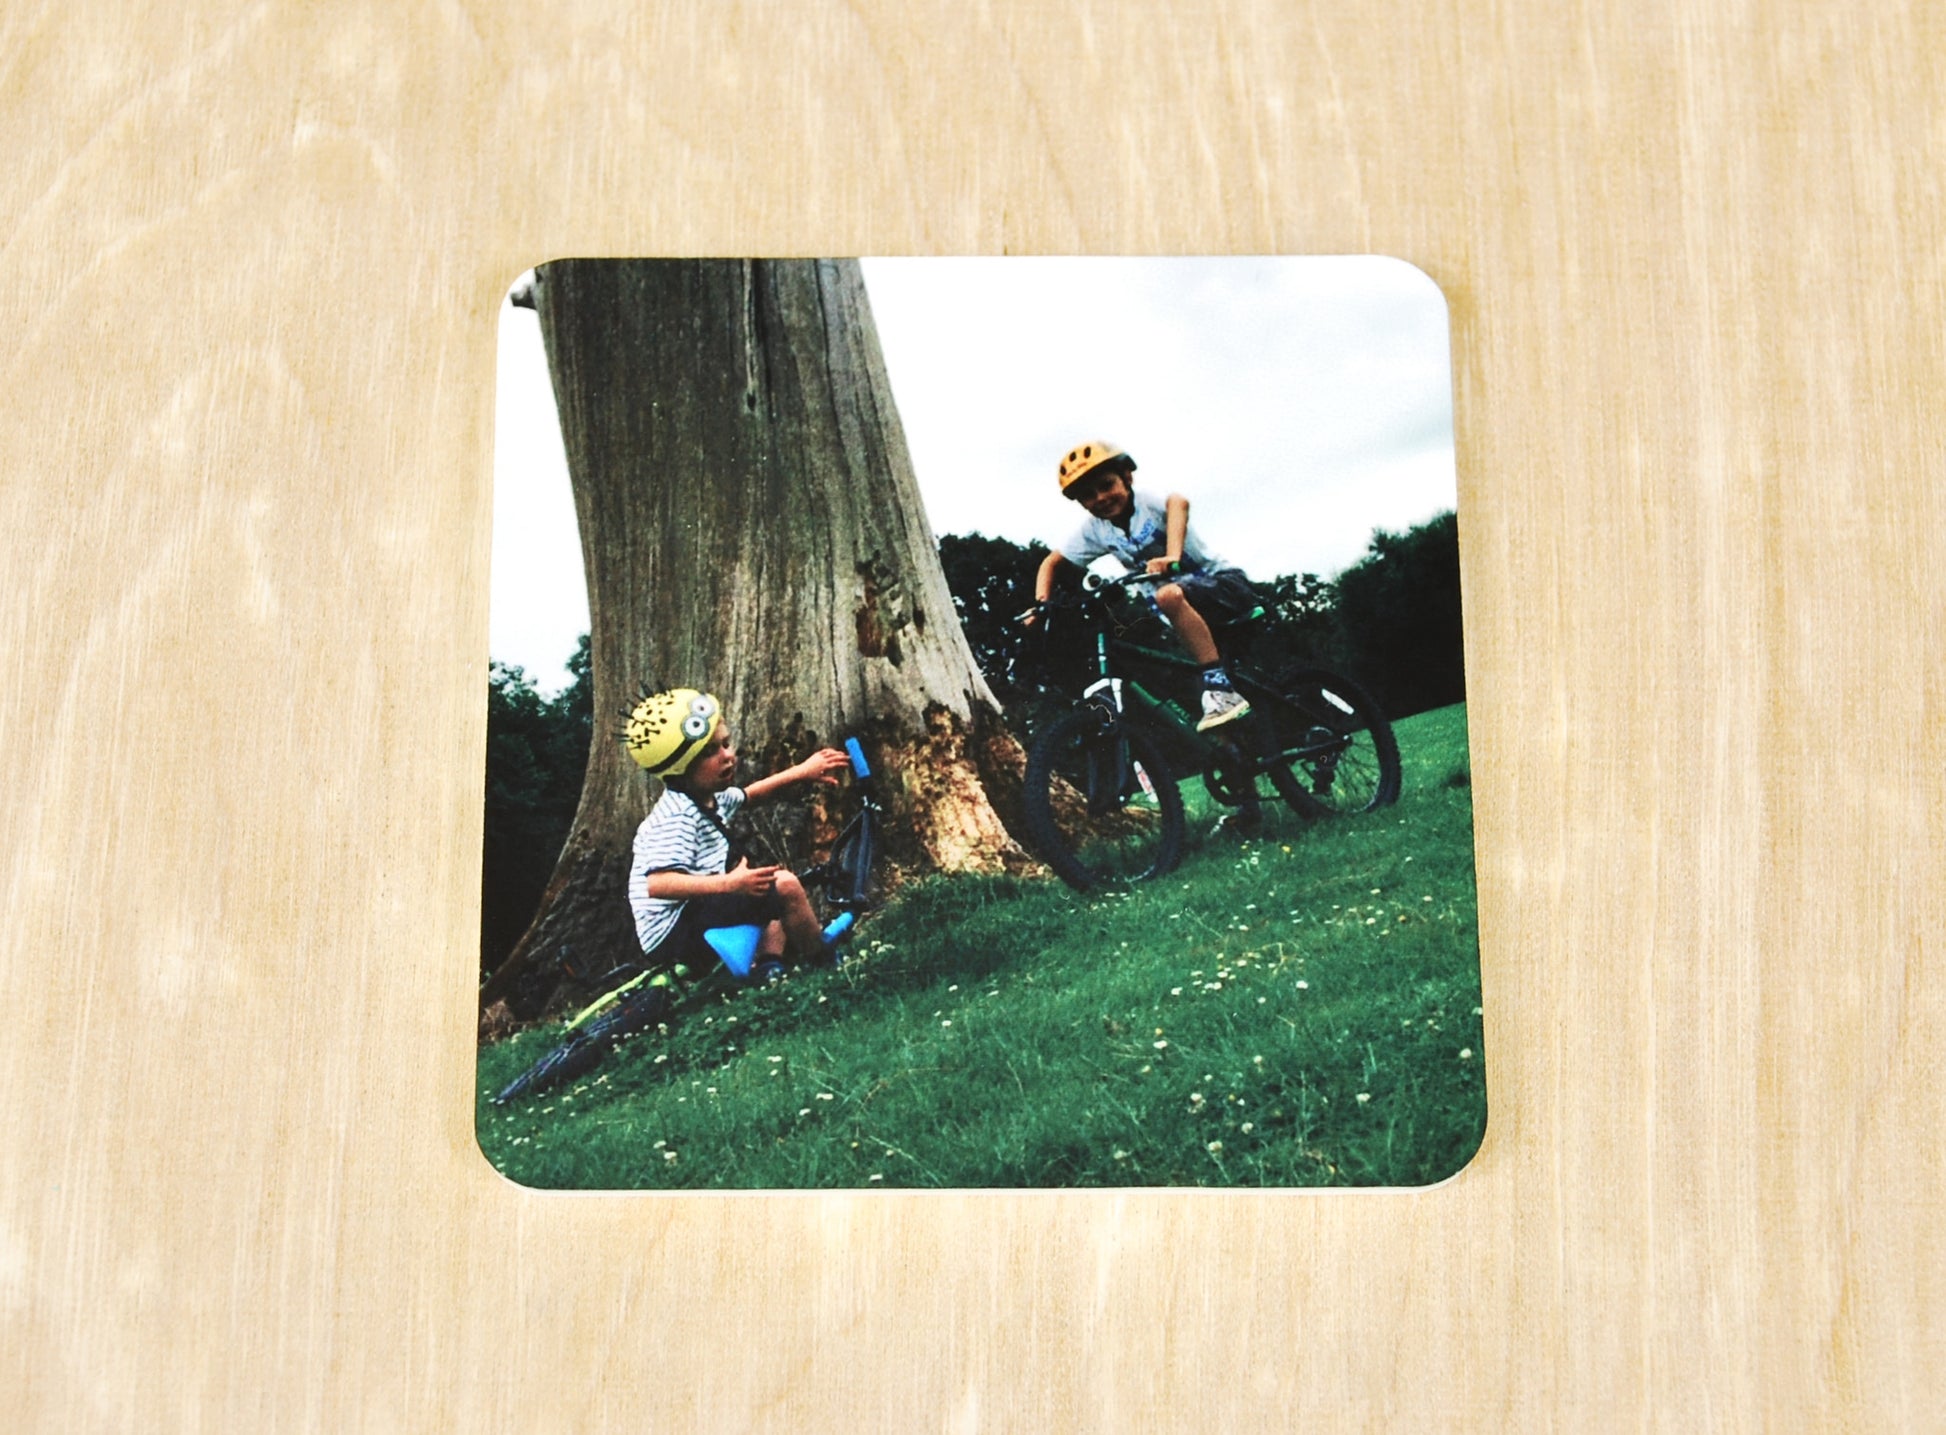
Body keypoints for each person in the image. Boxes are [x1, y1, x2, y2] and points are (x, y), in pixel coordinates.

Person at [1029, 440, 1261, 730]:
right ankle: (1231, 736)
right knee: (1213, 718)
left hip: (1224, 586)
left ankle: (1220, 688)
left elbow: (1178, 503)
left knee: (1168, 596)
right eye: (1088, 495)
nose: (1100, 498)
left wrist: (1172, 556)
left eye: (1107, 485)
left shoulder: (1147, 503)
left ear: (1127, 477)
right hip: (1184, 614)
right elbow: (1052, 562)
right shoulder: (1096, 530)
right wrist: (1040, 606)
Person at [622, 688, 852, 976]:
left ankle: (770, 965)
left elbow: (750, 795)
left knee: (761, 882)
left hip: (692, 915)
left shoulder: (707, 797)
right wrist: (729, 884)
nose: (728, 756)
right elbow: (659, 884)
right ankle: (824, 962)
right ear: (679, 768)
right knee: (784, 886)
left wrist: (802, 771)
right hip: (672, 935)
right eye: (710, 752)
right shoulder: (678, 816)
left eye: (726, 743)